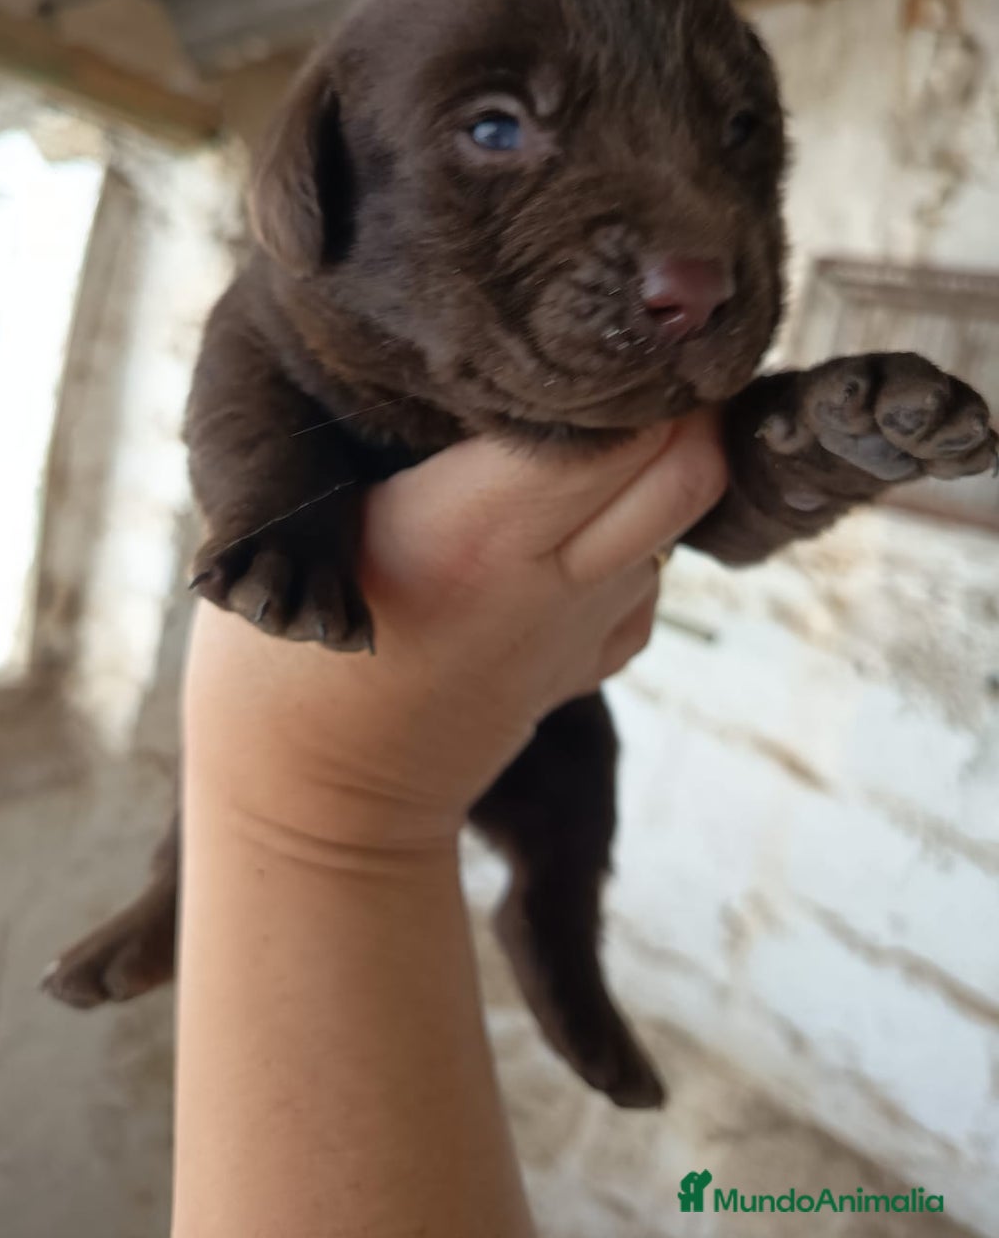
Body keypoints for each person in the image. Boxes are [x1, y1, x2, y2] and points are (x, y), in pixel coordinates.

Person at [172, 411, 726, 1238]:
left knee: (579, 799)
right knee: (191, 841)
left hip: (529, 683)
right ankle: (161, 904)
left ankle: (557, 941)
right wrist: (302, 803)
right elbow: (241, 390)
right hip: (348, 675)